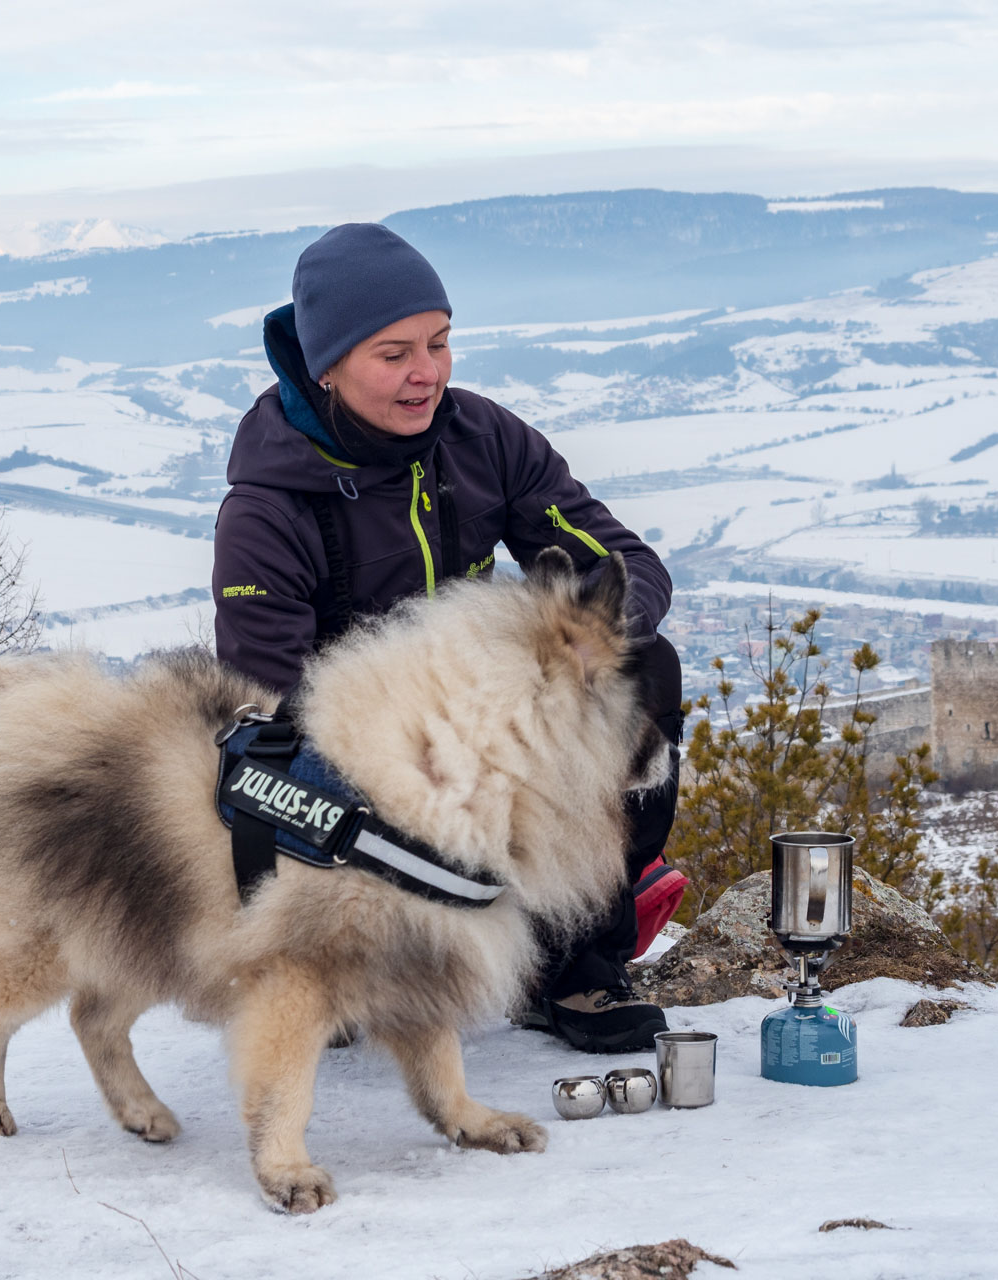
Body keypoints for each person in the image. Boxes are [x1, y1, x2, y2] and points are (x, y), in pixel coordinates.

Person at [212, 223, 683, 1053]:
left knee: (645, 671)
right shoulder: (267, 510)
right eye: (392, 354)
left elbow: (627, 563)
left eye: (439, 342)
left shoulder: (483, 440)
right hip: (354, 768)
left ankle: (574, 966)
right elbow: (265, 698)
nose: (426, 372)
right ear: (328, 365)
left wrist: (589, 643)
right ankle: (356, 963)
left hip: (485, 732)